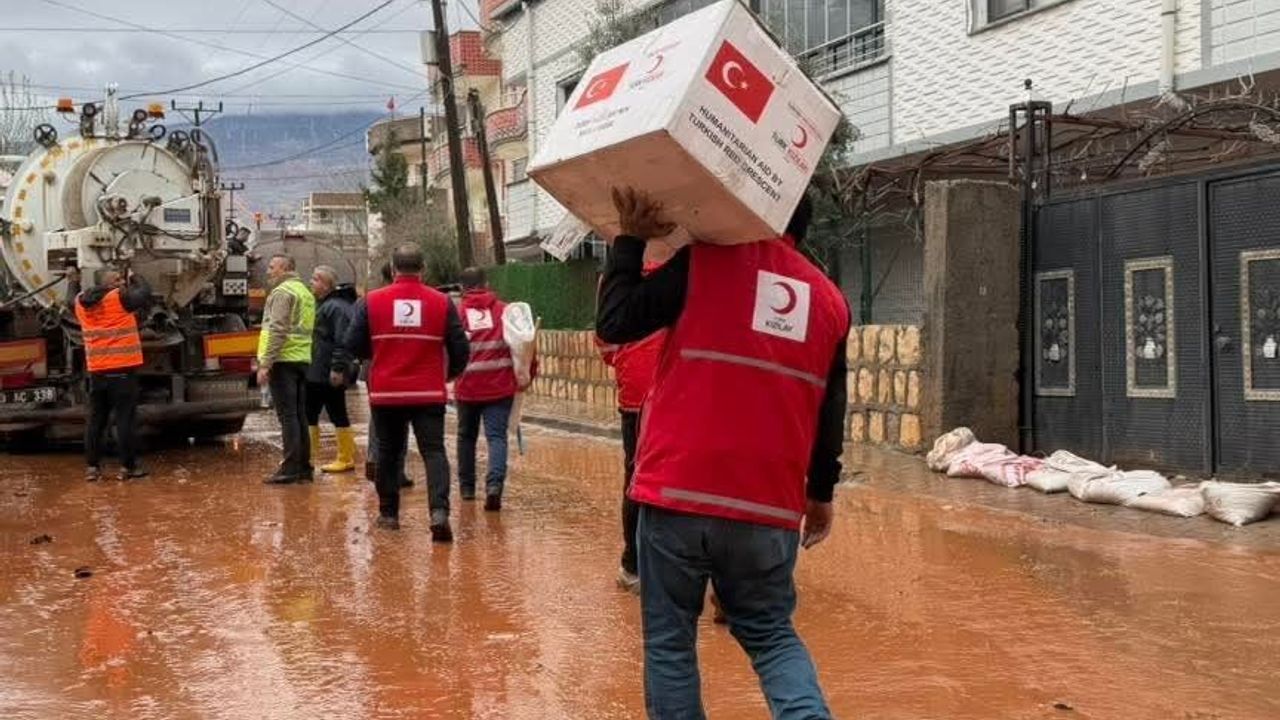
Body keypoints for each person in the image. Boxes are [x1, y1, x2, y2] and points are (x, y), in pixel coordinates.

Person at [596, 188, 850, 720]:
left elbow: (615, 322)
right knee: (772, 636)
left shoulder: (703, 265)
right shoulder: (830, 302)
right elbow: (830, 411)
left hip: (676, 493)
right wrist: (821, 494)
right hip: (768, 506)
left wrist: (629, 240)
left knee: (670, 643)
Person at [337, 244, 469, 538]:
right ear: (423, 269)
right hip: (428, 392)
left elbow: (352, 343)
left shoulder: (371, 301)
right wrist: (449, 374)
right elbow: (460, 347)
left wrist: (378, 353)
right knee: (434, 451)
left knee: (388, 451)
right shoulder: (442, 302)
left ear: (393, 268)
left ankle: (388, 514)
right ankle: (438, 512)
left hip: (387, 391)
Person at [595, 245, 673, 595]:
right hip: (679, 390)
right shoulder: (689, 265)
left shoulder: (616, 274)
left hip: (636, 394)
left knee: (637, 477)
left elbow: (605, 342)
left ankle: (633, 566)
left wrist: (628, 358)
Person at [73, 266, 151, 482]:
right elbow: (145, 292)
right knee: (125, 420)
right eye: (117, 280)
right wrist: (135, 276)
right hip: (122, 371)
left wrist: (72, 281)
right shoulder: (119, 298)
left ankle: (92, 468)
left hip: (97, 372)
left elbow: (71, 297)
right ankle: (128, 467)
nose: (121, 283)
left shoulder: (80, 302)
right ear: (107, 284)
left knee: (96, 420)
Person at [453, 266, 522, 512]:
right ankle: (494, 486)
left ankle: (467, 488)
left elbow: (450, 347)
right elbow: (523, 344)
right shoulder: (504, 311)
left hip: (467, 386)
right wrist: (526, 375)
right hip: (499, 386)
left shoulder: (457, 313)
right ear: (487, 284)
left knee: (466, 437)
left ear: (462, 288)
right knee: (496, 437)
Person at [256, 254, 316, 485]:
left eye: (272, 267)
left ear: (284, 268)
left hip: (283, 360)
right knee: (299, 415)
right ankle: (304, 467)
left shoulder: (282, 292)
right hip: (301, 358)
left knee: (288, 416)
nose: (268, 271)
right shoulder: (305, 292)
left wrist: (266, 363)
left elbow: (278, 329)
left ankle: (290, 468)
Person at [363, 262, 412, 489]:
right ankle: (395, 469)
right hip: (402, 366)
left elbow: (355, 337)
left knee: (379, 415)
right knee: (401, 418)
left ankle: (375, 459)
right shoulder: (408, 301)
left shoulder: (372, 300)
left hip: (375, 366)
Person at [307, 265, 358, 474]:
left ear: (325, 284)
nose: (311, 283)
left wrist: (337, 368)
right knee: (321, 413)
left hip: (325, 371)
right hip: (321, 369)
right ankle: (313, 458)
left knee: (325, 412)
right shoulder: (331, 305)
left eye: (314, 279)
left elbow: (342, 341)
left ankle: (341, 458)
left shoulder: (335, 307)